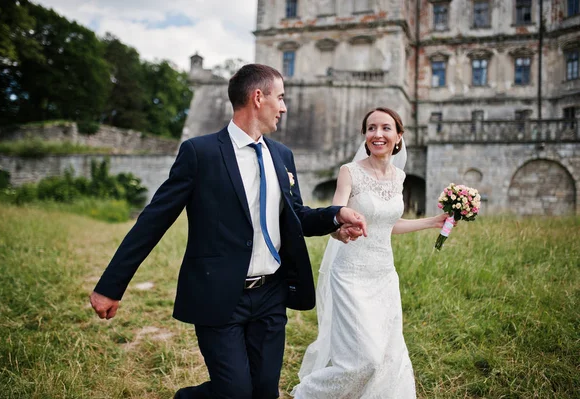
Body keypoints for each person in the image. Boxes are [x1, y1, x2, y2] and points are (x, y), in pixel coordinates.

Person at [89, 64, 368, 399]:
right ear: (258, 97)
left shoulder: (282, 156)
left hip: (271, 294)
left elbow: (297, 217)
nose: (284, 107)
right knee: (234, 393)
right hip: (219, 295)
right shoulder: (200, 153)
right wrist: (111, 286)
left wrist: (336, 216)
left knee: (264, 392)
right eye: (280, 98)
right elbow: (154, 220)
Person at [291, 107, 449, 398]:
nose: (378, 134)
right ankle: (307, 394)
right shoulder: (349, 172)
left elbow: (388, 224)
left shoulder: (399, 177)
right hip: (350, 273)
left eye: (386, 128)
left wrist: (432, 222)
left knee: (388, 356)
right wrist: (340, 229)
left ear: (399, 136)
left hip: (384, 276)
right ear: (364, 135)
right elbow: (334, 216)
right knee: (365, 360)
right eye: (372, 128)